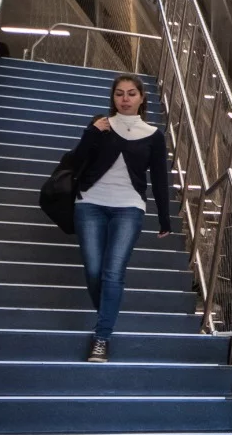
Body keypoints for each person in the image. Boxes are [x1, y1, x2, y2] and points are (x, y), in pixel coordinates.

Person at [68, 74, 172, 363]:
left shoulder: (153, 135)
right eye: (119, 94)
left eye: (131, 93)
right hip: (90, 203)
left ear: (141, 98)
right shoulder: (100, 126)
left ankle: (102, 338)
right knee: (93, 271)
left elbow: (160, 180)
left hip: (129, 207)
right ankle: (106, 316)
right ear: (113, 98)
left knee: (113, 272)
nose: (125, 99)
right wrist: (90, 133)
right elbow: (76, 163)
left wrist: (165, 218)